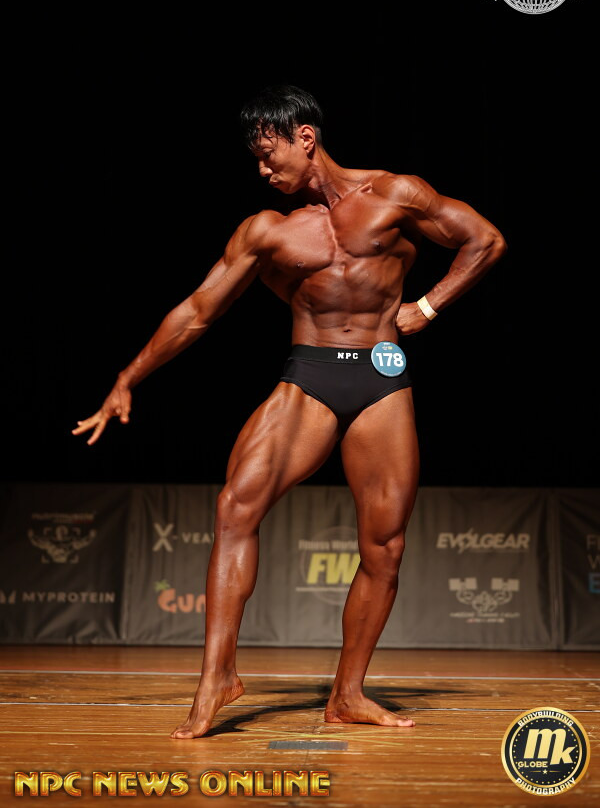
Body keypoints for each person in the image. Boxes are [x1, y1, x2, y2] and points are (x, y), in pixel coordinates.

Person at [72, 84, 506, 738]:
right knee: (235, 506)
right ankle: (217, 675)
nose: (262, 170)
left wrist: (428, 306)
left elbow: (485, 241)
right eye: (255, 159)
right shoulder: (267, 230)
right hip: (311, 375)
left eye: (268, 153)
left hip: (383, 380)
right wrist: (128, 377)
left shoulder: (397, 194)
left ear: (305, 137)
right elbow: (198, 311)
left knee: (384, 546)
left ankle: (348, 694)